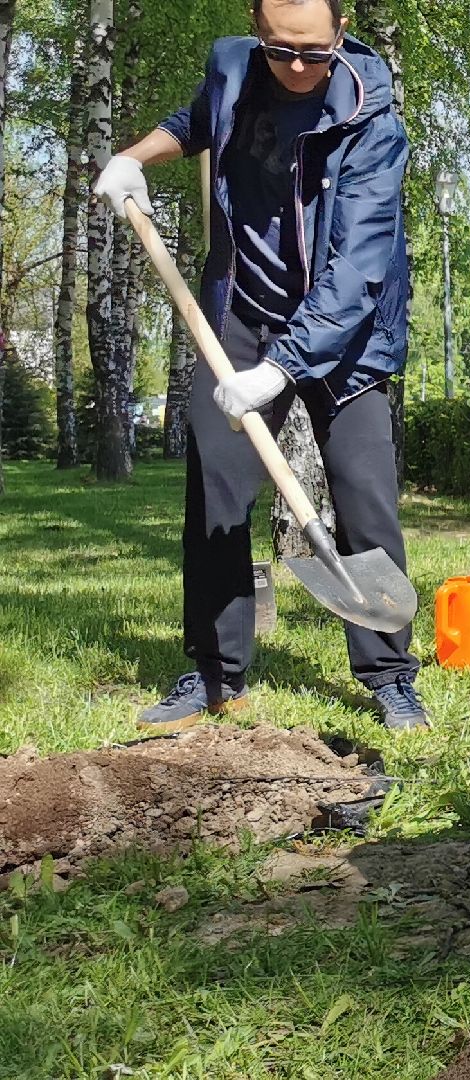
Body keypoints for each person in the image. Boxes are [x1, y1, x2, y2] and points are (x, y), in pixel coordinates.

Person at [94, 0, 427, 733]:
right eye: (280, 50)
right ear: (257, 31)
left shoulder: (374, 124)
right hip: (241, 316)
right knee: (216, 496)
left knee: (364, 497)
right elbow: (194, 121)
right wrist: (134, 157)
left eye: (314, 52)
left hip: (346, 329)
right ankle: (216, 673)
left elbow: (358, 270)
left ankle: (390, 675)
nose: (298, 66)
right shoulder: (234, 71)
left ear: (341, 33)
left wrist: (281, 369)